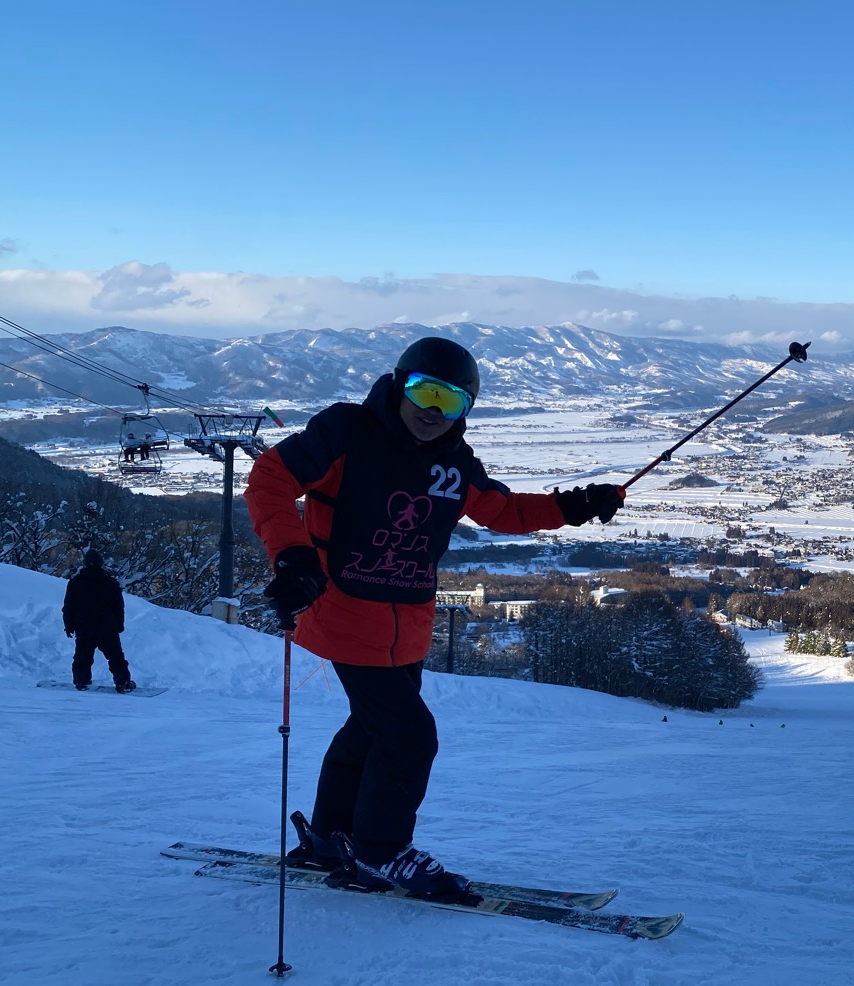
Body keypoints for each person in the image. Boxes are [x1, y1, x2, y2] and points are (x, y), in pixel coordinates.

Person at [245, 336, 624, 898]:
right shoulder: (347, 431)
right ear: (399, 384)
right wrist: (292, 553)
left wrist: (574, 506)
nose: (432, 411)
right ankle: (379, 853)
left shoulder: (454, 462)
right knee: (409, 735)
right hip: (346, 613)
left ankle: (330, 837)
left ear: (465, 410)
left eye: (451, 402)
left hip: (408, 626)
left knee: (371, 729)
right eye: (424, 392)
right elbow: (271, 478)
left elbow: (506, 510)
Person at [62, 548, 136, 693]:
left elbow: (69, 607)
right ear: (101, 564)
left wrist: (69, 626)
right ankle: (123, 682)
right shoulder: (110, 583)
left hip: (84, 627)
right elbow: (119, 606)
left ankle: (81, 681)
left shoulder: (76, 583)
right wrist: (119, 624)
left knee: (82, 656)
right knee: (115, 657)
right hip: (107, 627)